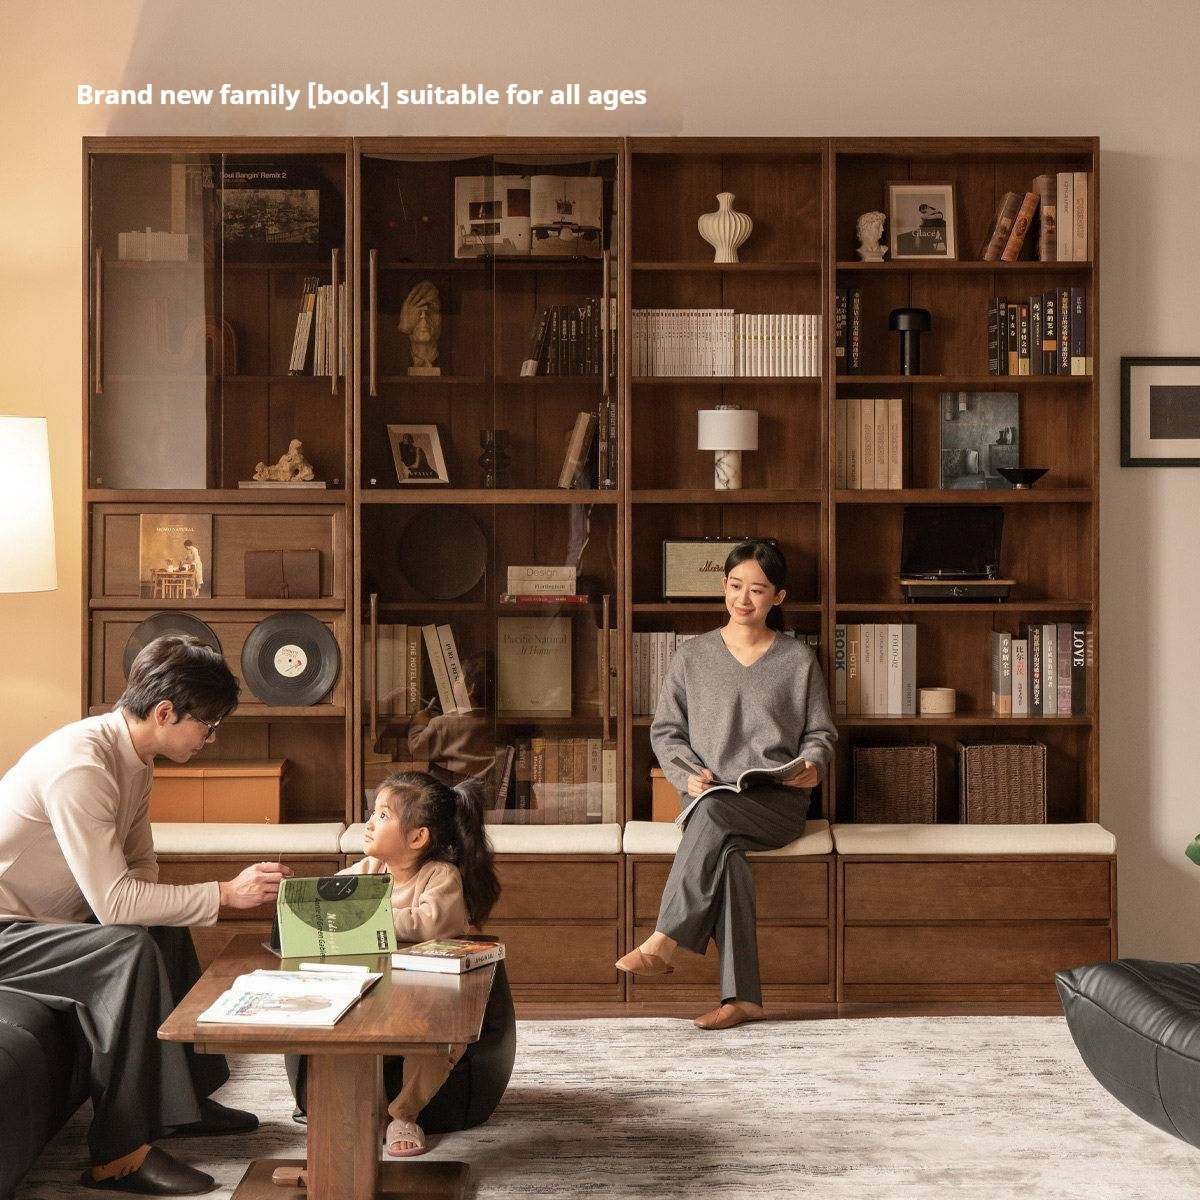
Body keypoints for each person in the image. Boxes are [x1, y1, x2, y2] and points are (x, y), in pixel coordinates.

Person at [0, 635, 291, 1195]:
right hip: (8, 930)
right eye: (208, 724)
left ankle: (187, 1102)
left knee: (159, 925)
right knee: (127, 948)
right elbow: (115, 902)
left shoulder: (133, 758)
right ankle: (119, 1155)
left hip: (44, 922)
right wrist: (226, 894)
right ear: (164, 713)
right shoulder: (80, 766)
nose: (211, 738)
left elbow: (140, 868)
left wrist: (163, 908)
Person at [615, 539, 836, 1030]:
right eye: (736, 586)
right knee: (728, 859)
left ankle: (664, 940)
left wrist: (813, 763)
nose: (743, 599)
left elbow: (820, 733)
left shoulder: (798, 660)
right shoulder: (692, 656)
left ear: (777, 597)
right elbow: (666, 732)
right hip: (712, 796)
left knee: (714, 820)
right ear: (724, 587)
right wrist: (685, 772)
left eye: (757, 590)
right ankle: (743, 998)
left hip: (778, 802)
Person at [287, 770, 501, 1158]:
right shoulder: (369, 871)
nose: (368, 823)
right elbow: (332, 897)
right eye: (373, 812)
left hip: (430, 996)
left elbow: (428, 924)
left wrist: (366, 916)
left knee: (433, 1045)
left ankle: (404, 1113)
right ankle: (363, 1107)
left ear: (418, 838)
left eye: (382, 816)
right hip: (378, 990)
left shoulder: (440, 876)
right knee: (345, 1030)